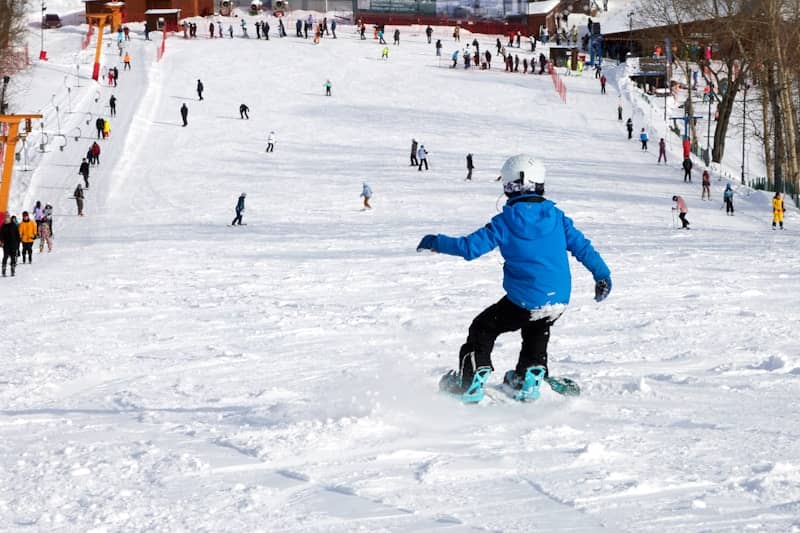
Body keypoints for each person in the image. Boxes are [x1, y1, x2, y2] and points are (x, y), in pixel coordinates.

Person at [417, 155, 611, 403]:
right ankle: (529, 376)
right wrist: (602, 275)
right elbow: (582, 247)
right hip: (558, 299)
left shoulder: (505, 222)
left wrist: (437, 242)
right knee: (537, 326)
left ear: (508, 187)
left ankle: (470, 380)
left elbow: (469, 248)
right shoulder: (558, 217)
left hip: (524, 299)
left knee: (483, 327)